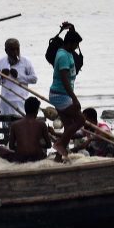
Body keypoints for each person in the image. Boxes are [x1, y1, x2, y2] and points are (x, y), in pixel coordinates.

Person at [49, 23, 84, 160]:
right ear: (69, 43)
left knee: (69, 125)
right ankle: (59, 144)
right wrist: (74, 98)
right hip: (60, 95)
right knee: (80, 119)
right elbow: (64, 79)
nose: (77, 48)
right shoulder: (63, 56)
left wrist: (72, 28)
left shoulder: (67, 52)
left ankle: (58, 157)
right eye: (75, 45)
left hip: (61, 94)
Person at [0, 97, 55, 163]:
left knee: (0, 149)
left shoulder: (15, 125)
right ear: (37, 111)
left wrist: (21, 147)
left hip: (20, 158)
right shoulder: (41, 124)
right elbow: (49, 145)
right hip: (38, 156)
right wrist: (38, 145)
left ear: (25, 109)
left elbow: (11, 146)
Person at [0, 38, 38, 119]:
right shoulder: (1, 62)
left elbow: (34, 79)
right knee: (6, 128)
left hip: (21, 100)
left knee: (21, 128)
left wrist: (18, 76)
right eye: (12, 50)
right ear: (6, 51)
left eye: (17, 49)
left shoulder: (26, 62)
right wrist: (1, 76)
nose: (15, 52)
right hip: (5, 101)